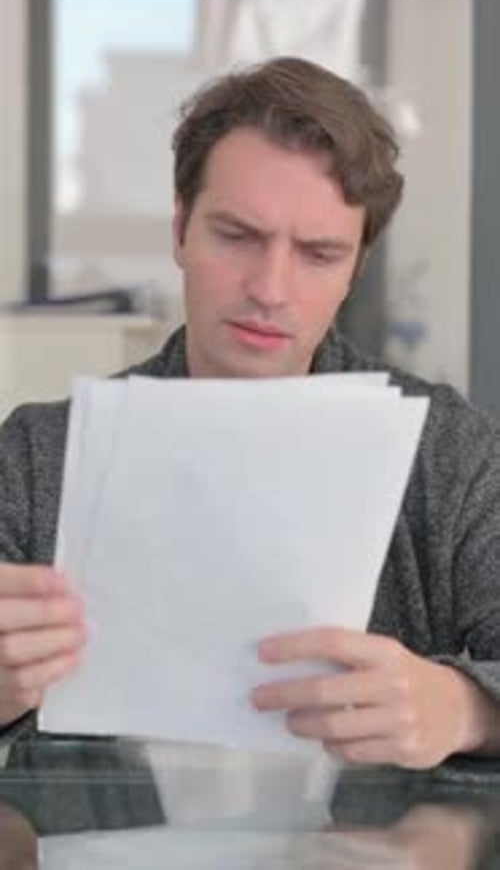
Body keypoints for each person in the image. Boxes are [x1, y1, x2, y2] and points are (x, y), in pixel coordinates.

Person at [0, 56, 499, 770]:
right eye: (236, 236)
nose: (270, 289)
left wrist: (468, 706)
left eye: (319, 254)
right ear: (180, 231)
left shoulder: (450, 451)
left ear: (356, 267)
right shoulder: (35, 456)